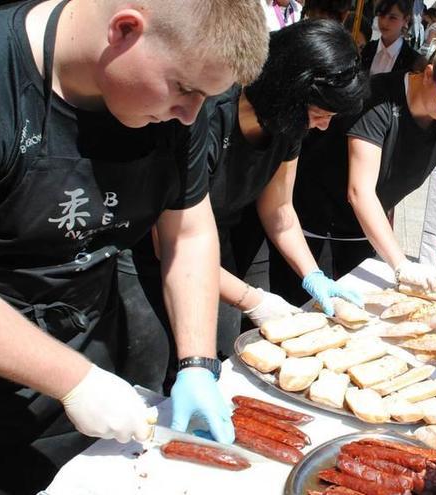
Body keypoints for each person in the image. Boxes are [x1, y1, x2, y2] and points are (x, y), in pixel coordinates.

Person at [0, 0, 267, 493]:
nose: (192, 115)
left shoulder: (181, 105)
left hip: (93, 365)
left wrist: (196, 363)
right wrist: (74, 380)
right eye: (185, 89)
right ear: (125, 29)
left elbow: (188, 230)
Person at [118, 19, 367, 393]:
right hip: (153, 249)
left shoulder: (289, 127)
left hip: (214, 243)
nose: (323, 127)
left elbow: (280, 210)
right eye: (320, 114)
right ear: (288, 91)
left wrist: (313, 276)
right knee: (150, 374)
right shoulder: (208, 113)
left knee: (221, 358)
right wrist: (252, 299)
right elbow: (172, 238)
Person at [272, 7, 436, 307]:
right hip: (312, 222)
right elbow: (360, 191)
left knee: (360, 313)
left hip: (364, 232)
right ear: (429, 75)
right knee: (299, 312)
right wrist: (401, 264)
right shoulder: (378, 100)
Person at [360, 0, 424, 75]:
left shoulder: (413, 61)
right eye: (381, 15)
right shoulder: (367, 49)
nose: (384, 23)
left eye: (392, 18)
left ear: (406, 20)